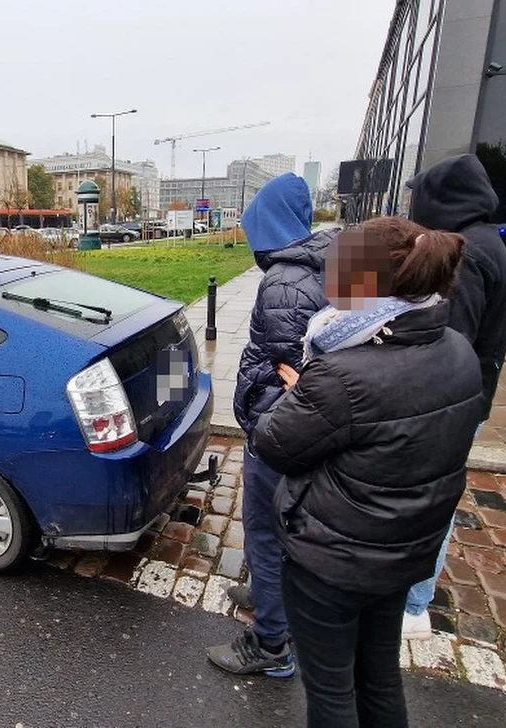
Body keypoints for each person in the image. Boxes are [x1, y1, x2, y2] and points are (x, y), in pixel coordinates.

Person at [253, 216, 484, 726]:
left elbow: (274, 444)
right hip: (404, 550)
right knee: (379, 676)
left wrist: (301, 391)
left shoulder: (341, 372)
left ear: (362, 282)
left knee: (332, 690)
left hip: (335, 558)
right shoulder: (457, 349)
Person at [207, 173, 338, 678]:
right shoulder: (331, 259)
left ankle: (269, 644)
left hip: (278, 430)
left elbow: (291, 368)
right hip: (307, 430)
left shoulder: (284, 281)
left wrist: (267, 396)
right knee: (286, 530)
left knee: (264, 531)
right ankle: (271, 599)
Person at [401, 154, 506, 639]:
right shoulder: (488, 242)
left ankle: (412, 605)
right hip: (465, 398)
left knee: (429, 500)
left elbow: (450, 340)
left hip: (447, 405)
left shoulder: (466, 253)